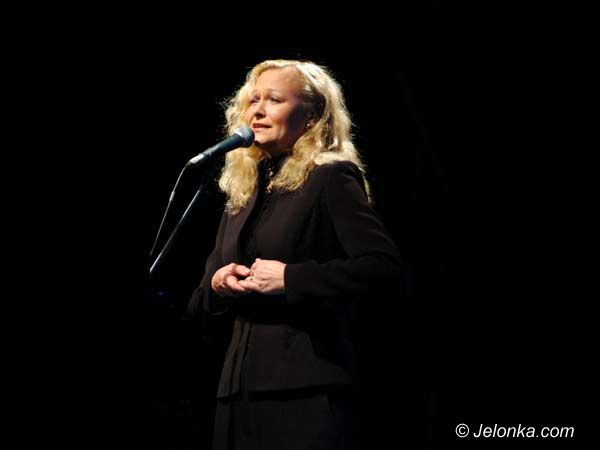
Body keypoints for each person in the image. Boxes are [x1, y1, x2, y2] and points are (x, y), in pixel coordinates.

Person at [187, 59, 404, 450]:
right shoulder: (242, 193)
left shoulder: (329, 177)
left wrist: (290, 279)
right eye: (253, 100)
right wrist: (218, 287)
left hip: (304, 392)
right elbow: (198, 305)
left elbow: (384, 270)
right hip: (235, 397)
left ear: (312, 117)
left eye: (274, 100)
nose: (257, 110)